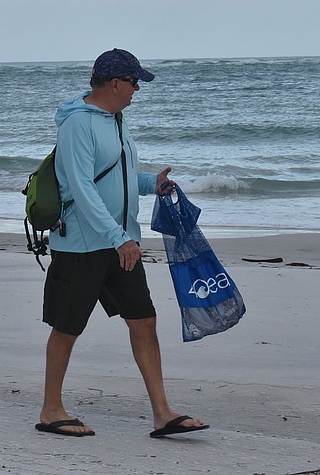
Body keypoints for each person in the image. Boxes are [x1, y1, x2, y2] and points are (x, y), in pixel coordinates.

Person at [35, 48, 209, 438]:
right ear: (115, 83)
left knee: (144, 321)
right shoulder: (77, 125)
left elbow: (119, 176)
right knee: (67, 327)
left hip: (120, 242)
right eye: (133, 83)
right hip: (83, 245)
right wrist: (119, 238)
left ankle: (163, 413)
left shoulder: (116, 120)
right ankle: (51, 410)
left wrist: (153, 183)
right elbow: (81, 188)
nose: (136, 90)